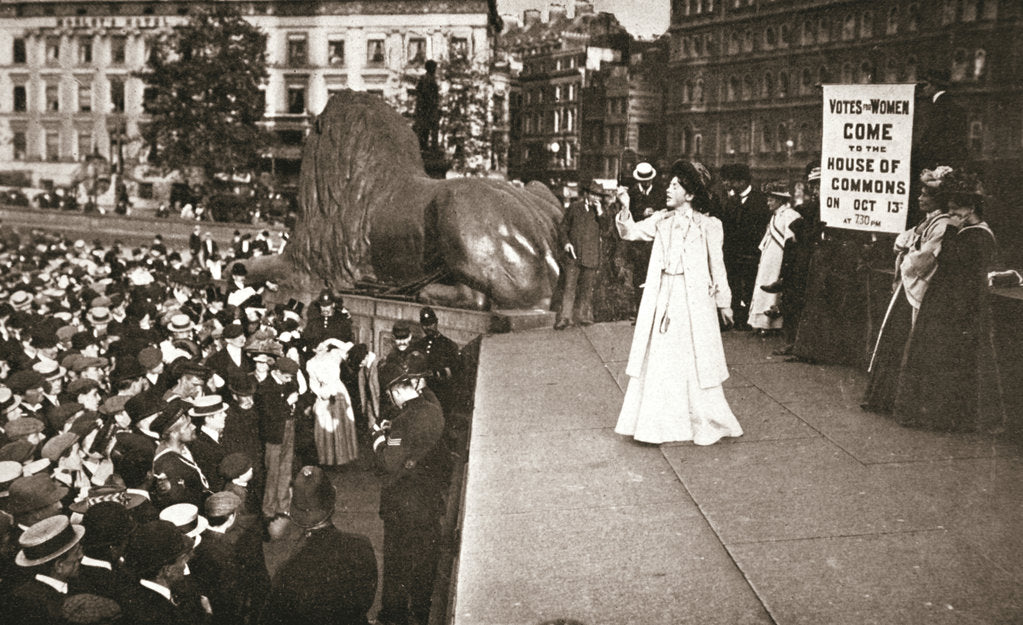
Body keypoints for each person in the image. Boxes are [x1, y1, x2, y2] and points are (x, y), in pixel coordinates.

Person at [612, 160, 743, 446]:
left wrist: (724, 303)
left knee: (695, 358)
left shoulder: (709, 225)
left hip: (695, 300)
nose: (668, 189)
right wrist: (624, 206)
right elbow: (630, 232)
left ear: (691, 194)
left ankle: (702, 420)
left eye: (675, 185)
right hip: (665, 297)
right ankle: (660, 424)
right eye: (669, 184)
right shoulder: (661, 221)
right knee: (662, 358)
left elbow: (717, 265)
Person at [891, 172, 1006, 432]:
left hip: (960, 305)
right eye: (950, 211)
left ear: (971, 209)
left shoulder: (977, 235)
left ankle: (944, 416)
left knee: (947, 359)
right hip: (949, 301)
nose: (951, 216)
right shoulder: (965, 232)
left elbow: (953, 264)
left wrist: (953, 231)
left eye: (956, 211)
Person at [863, 167, 954, 414]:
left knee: (904, 339)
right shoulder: (928, 221)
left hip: (918, 287)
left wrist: (906, 252)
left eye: (925, 195)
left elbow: (923, 258)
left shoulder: (942, 224)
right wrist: (906, 248)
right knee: (894, 338)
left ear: (937, 200)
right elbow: (902, 240)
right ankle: (882, 397)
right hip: (907, 286)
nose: (919, 198)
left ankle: (894, 399)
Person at [372, 358, 445, 625]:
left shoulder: (401, 422)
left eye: (390, 394)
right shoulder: (434, 408)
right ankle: (421, 614)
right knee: (424, 562)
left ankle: (393, 615)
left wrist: (379, 439)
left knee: (397, 564)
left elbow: (389, 461)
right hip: (429, 500)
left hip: (402, 506)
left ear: (396, 390)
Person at [261, 466, 378, 625]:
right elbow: (365, 599)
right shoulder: (362, 545)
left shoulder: (287, 571)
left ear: (294, 512)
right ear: (333, 500)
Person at [719, 164, 771, 330]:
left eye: (735, 181)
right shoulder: (731, 201)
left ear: (743, 181)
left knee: (750, 286)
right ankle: (737, 318)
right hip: (733, 253)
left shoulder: (761, 200)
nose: (732, 184)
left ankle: (749, 319)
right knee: (734, 285)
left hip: (751, 253)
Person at [9, 515, 85, 625]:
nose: (81, 556)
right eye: (76, 553)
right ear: (59, 565)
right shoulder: (41, 607)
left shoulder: (27, 591)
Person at [748, 181, 801, 334]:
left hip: (779, 259)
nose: (768, 202)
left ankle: (773, 325)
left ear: (779, 199)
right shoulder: (775, 216)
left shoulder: (790, 215)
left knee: (775, 290)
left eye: (771, 199)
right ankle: (763, 324)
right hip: (769, 258)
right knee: (764, 286)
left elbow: (791, 242)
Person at [555, 180, 606, 330]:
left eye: (599, 196)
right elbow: (563, 228)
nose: (596, 198)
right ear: (587, 194)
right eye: (594, 194)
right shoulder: (574, 208)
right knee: (569, 287)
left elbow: (608, 229)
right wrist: (566, 243)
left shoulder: (602, 212)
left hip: (591, 256)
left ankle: (584, 316)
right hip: (573, 255)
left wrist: (601, 212)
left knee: (586, 288)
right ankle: (565, 318)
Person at [306, 338, 359, 468]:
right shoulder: (310, 363)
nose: (321, 350)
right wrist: (320, 393)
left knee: (341, 423)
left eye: (323, 347)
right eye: (317, 348)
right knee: (326, 425)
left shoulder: (335, 354)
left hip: (339, 391)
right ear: (313, 349)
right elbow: (312, 383)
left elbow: (349, 347)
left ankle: (344, 459)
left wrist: (331, 340)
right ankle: (328, 460)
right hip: (324, 394)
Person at [625, 162, 667, 317]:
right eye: (644, 181)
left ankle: (655, 312)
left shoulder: (661, 192)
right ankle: (640, 312)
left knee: (655, 275)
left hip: (655, 241)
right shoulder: (631, 194)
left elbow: (666, 210)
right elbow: (627, 215)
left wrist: (655, 213)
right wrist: (642, 213)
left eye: (648, 180)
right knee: (638, 277)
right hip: (638, 244)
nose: (646, 183)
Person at [413, 60, 440, 152]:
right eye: (434, 68)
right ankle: (430, 147)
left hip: (427, 109)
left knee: (427, 129)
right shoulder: (427, 79)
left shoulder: (426, 79)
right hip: (427, 109)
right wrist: (432, 105)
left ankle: (428, 147)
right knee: (428, 128)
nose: (435, 70)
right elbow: (425, 95)